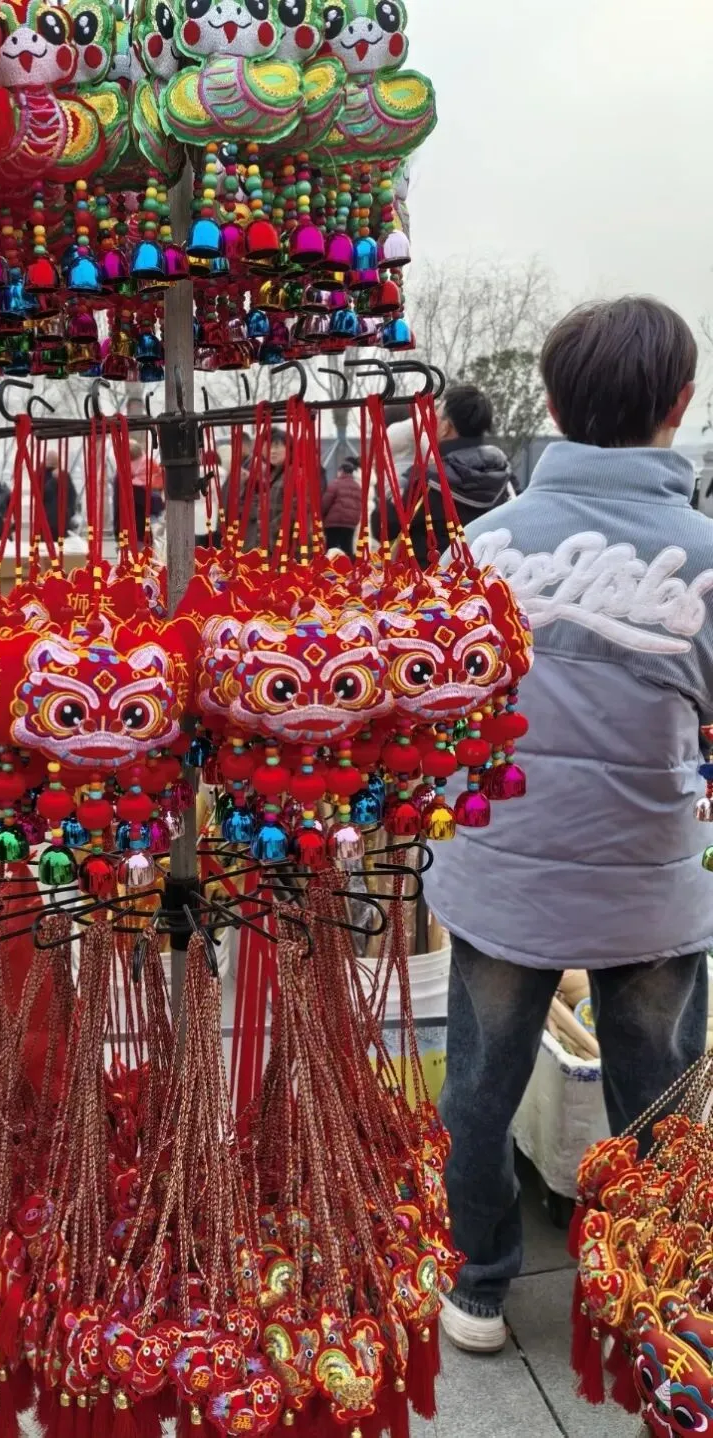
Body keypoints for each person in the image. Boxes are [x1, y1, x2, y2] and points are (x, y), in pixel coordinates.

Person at [426, 297, 713, 1355]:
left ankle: (479, 1284)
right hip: (652, 885)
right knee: (661, 1101)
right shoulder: (705, 554)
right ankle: (656, 1290)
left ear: (548, 406)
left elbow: (439, 712)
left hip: (501, 874)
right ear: (680, 403)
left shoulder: (480, 548)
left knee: (478, 1087)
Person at [376, 384, 514, 567]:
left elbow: (381, 527)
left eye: (436, 418)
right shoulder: (505, 477)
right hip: (488, 578)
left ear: (446, 427)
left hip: (430, 580)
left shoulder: (425, 479)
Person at [321, 457, 361, 556]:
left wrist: (322, 516)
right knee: (347, 548)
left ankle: (330, 565)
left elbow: (325, 503)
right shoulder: (357, 486)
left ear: (341, 471)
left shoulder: (335, 483)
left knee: (331, 548)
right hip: (350, 523)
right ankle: (349, 564)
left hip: (334, 522)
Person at [42, 460, 77, 542]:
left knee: (48, 544)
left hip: (48, 520)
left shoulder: (43, 477)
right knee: (61, 544)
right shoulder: (65, 477)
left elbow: (41, 496)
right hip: (62, 519)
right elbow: (73, 496)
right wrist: (70, 512)